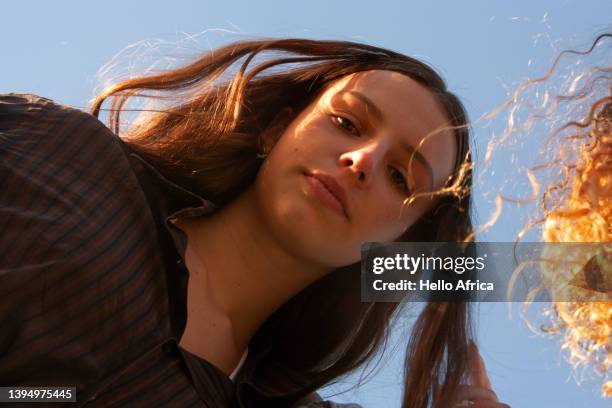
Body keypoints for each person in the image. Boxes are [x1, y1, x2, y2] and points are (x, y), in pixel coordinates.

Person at [0, 38, 509, 407]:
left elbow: (583, 271)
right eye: (347, 123)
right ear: (275, 129)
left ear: (400, 240)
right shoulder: (61, 158)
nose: (363, 160)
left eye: (400, 177)